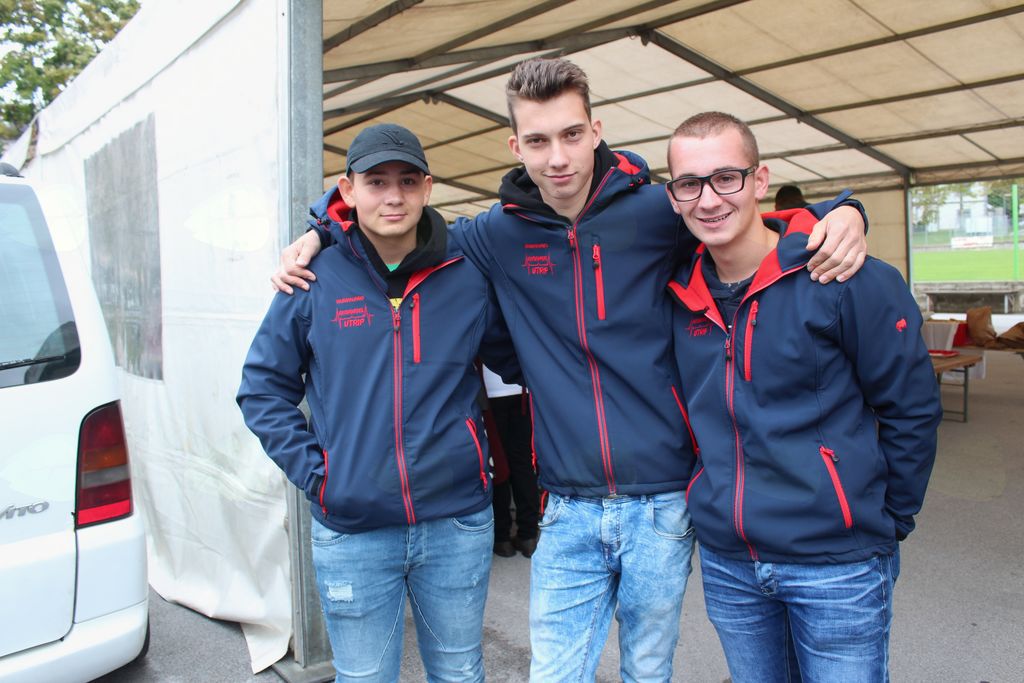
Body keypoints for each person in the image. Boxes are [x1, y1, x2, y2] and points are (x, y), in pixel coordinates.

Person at [273, 58, 869, 682]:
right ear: (516, 147)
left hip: (662, 499)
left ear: (596, 131)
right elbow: (394, 224)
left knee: (648, 670)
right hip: (565, 504)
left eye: (571, 135)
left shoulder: (658, 213)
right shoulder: (494, 234)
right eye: (537, 140)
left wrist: (844, 211)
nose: (557, 157)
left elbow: (744, 219)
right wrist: (321, 229)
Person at [237, 123, 520, 682]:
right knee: (365, 677)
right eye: (377, 182)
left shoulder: (466, 275)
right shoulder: (313, 279)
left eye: (408, 181)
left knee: (460, 672)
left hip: (457, 521)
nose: (394, 196)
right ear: (348, 190)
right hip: (353, 528)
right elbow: (262, 388)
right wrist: (321, 476)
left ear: (428, 188)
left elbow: (522, 358)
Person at [665, 112, 942, 682]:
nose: (709, 199)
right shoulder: (678, 293)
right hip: (731, 562)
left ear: (760, 180)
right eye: (689, 184)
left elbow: (911, 407)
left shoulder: (842, 275)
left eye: (726, 178)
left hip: (837, 562)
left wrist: (886, 518)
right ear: (672, 197)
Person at [482, 366, 540, 558]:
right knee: (523, 464)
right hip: (521, 389)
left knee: (497, 465)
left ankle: (502, 538)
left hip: (490, 392)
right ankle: (528, 535)